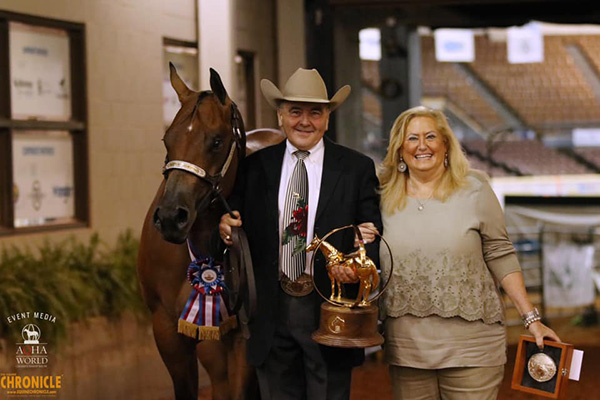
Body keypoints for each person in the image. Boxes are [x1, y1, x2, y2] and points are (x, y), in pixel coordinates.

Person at [219, 68, 382, 400]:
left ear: (327, 118)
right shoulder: (254, 168)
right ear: (280, 116)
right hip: (270, 308)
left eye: (315, 112)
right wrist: (224, 225)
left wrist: (356, 263)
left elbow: (371, 236)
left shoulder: (356, 168)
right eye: (295, 111)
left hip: (329, 309)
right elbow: (230, 221)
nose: (304, 121)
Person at [377, 106, 560, 400]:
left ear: (446, 144)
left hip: (473, 347)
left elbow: (500, 253)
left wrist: (531, 319)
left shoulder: (474, 188)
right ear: (400, 149)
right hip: (407, 349)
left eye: (430, 136)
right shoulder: (382, 196)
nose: (421, 146)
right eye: (412, 138)